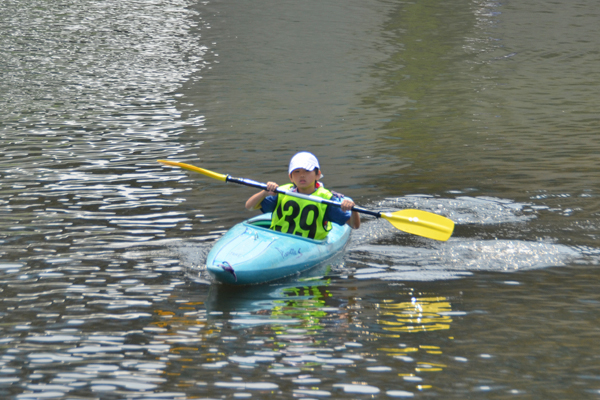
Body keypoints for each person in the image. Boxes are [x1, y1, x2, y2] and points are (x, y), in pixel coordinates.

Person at [245, 152, 360, 240]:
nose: (302, 176)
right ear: (291, 177)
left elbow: (354, 226)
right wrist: (265, 192)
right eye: (297, 172)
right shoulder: (282, 192)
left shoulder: (326, 199)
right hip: (279, 242)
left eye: (307, 171)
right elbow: (249, 207)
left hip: (309, 245)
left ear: (317, 175)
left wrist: (353, 209)